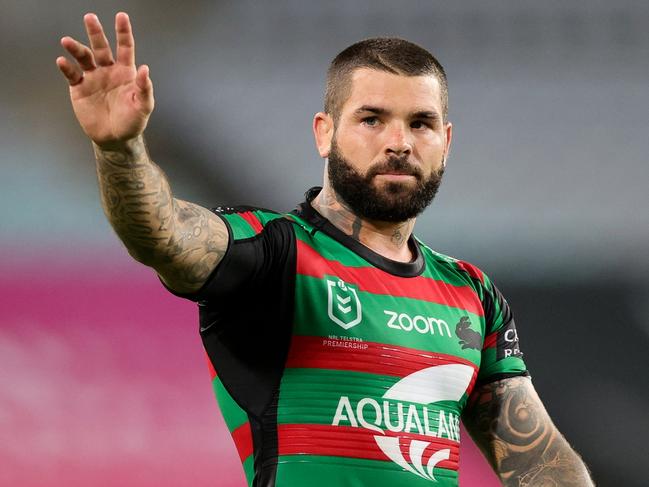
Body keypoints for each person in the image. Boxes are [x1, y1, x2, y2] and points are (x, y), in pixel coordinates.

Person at [57, 12, 594, 487]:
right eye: (371, 118)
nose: (399, 142)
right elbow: (163, 234)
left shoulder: (472, 295)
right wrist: (119, 148)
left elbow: (538, 465)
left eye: (421, 123)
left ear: (446, 142)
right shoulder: (276, 255)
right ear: (324, 133)